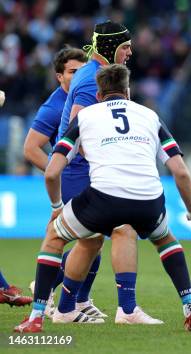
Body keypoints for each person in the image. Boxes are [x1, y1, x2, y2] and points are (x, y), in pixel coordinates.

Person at [14, 64, 191, 333]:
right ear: (127, 92)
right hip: (149, 199)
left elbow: (52, 172)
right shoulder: (149, 115)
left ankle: (36, 316)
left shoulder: (85, 116)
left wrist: (57, 207)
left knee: (54, 237)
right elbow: (181, 172)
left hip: (103, 198)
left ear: (97, 95)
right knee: (165, 240)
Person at [23, 46, 105, 319]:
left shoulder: (88, 95)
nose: (78, 76)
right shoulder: (55, 106)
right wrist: (56, 170)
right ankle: (45, 291)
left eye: (82, 71)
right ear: (59, 76)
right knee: (90, 239)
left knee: (96, 239)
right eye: (72, 72)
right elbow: (31, 148)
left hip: (89, 174)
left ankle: (80, 301)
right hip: (72, 176)